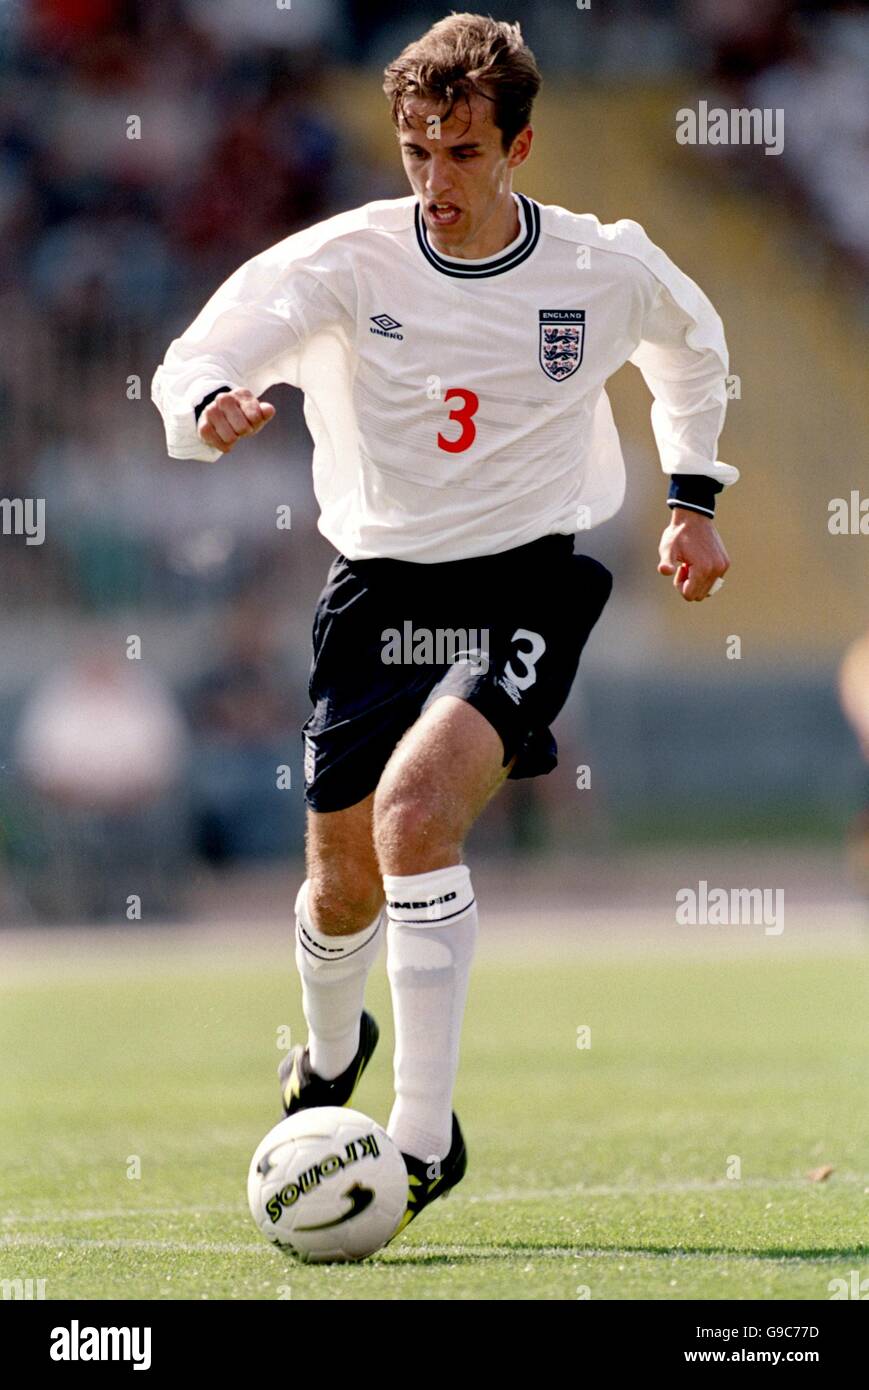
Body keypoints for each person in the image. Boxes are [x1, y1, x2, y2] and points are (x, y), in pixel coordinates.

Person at [152, 13, 736, 1238]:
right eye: (417, 148)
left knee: (417, 817)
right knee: (337, 885)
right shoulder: (349, 261)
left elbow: (691, 348)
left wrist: (691, 498)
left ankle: (421, 1141)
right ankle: (329, 1047)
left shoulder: (599, 267)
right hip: (375, 591)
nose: (435, 180)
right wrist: (208, 401)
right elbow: (204, 345)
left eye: (462, 152)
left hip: (526, 580)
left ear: (517, 146)